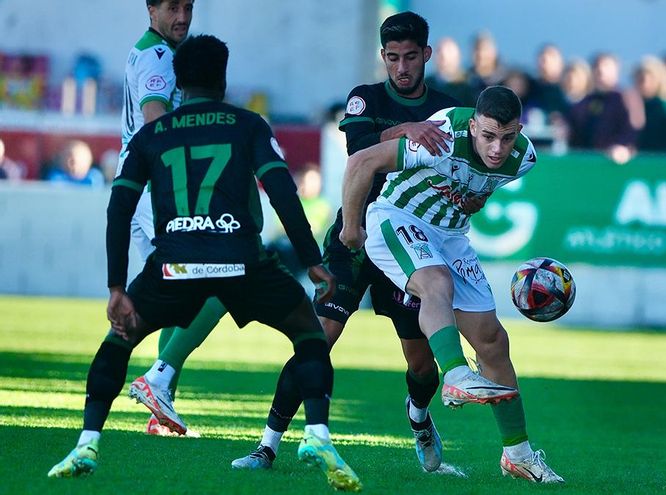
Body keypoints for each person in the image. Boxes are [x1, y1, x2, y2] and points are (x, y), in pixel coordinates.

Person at [46, 34, 361, 491]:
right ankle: (317, 434)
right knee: (309, 332)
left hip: (174, 267)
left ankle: (87, 443)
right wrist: (312, 261)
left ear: (178, 81)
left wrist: (117, 287)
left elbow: (119, 209)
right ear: (224, 78)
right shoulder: (248, 124)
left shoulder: (150, 135)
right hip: (242, 264)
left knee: (118, 341)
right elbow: (282, 193)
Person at [231, 11, 460, 474]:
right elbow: (359, 152)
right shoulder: (365, 98)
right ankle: (267, 445)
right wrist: (407, 131)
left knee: (421, 362)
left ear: (427, 56)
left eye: (410, 57)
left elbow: (458, 169)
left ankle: (418, 417)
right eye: (393, 57)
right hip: (354, 237)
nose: (401, 67)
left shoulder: (449, 110)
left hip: (409, 243)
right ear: (383, 57)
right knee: (316, 340)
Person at [340, 85, 564, 483]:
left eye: (507, 137)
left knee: (494, 340)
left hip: (452, 236)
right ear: (473, 125)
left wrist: (474, 198)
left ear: (520, 130)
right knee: (435, 283)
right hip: (397, 217)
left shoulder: (523, 158)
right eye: (488, 136)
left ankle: (518, 455)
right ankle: (457, 373)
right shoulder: (441, 137)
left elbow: (478, 184)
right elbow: (360, 162)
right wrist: (351, 228)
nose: (497, 148)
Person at [120, 0, 227, 438]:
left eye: (188, 6)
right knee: (224, 278)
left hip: (142, 190)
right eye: (172, 7)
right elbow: (154, 120)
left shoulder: (146, 49)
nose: (182, 16)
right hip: (157, 193)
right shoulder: (160, 57)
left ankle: (159, 408)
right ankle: (156, 381)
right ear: (150, 8)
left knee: (179, 297)